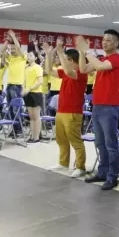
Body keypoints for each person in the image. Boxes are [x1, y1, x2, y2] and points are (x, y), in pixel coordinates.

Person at [79, 30, 119, 190]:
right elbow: (83, 69)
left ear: (116, 43)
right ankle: (102, 172)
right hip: (97, 105)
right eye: (103, 40)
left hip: (110, 106)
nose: (104, 43)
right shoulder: (103, 59)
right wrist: (81, 52)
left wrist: (87, 51)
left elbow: (98, 66)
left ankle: (113, 176)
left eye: (109, 40)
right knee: (100, 142)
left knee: (110, 143)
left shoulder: (117, 59)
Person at [46, 38, 88, 178]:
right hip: (61, 110)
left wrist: (59, 52)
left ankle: (80, 167)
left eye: (66, 59)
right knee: (61, 139)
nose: (62, 61)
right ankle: (63, 163)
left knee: (75, 141)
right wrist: (49, 55)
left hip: (73, 112)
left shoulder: (81, 73)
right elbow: (48, 70)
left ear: (72, 61)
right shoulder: (65, 72)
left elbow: (70, 72)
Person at [22, 51, 44, 143]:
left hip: (36, 93)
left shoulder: (38, 67)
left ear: (35, 58)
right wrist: (24, 89)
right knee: (31, 117)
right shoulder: (26, 68)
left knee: (36, 116)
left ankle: (36, 137)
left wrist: (29, 89)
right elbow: (24, 81)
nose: (28, 57)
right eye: (28, 55)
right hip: (27, 93)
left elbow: (40, 81)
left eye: (31, 55)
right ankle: (32, 136)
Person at [3, 30, 26, 119]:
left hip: (17, 86)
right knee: (10, 107)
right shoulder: (11, 58)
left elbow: (18, 47)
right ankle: (13, 125)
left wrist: (13, 36)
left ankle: (18, 126)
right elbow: (3, 56)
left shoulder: (22, 57)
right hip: (9, 85)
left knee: (16, 108)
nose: (12, 50)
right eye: (11, 48)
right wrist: (7, 43)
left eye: (14, 48)